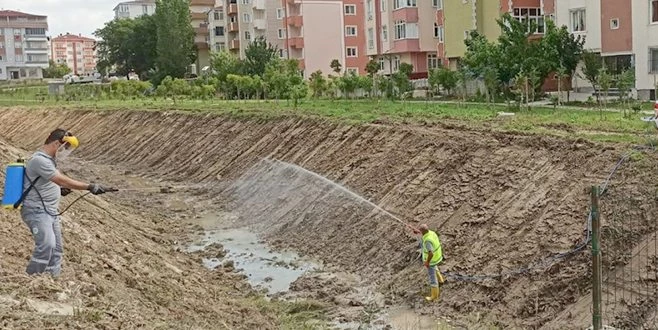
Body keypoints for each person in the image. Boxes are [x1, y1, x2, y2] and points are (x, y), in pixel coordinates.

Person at [20, 128, 109, 278]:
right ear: (56, 143)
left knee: (56, 250)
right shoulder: (39, 160)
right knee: (46, 246)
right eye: (65, 147)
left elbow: (48, 182)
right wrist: (89, 186)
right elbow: (60, 179)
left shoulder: (49, 161)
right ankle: (30, 280)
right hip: (37, 211)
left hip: (50, 211)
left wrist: (59, 190)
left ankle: (51, 281)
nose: (66, 151)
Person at [414, 224, 445, 302]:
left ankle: (434, 296)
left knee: (432, 278)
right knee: (435, 268)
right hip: (438, 256)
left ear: (422, 232)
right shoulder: (431, 233)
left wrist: (427, 262)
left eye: (420, 231)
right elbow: (424, 236)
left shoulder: (427, 241)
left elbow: (430, 253)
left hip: (432, 260)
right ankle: (441, 280)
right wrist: (419, 232)